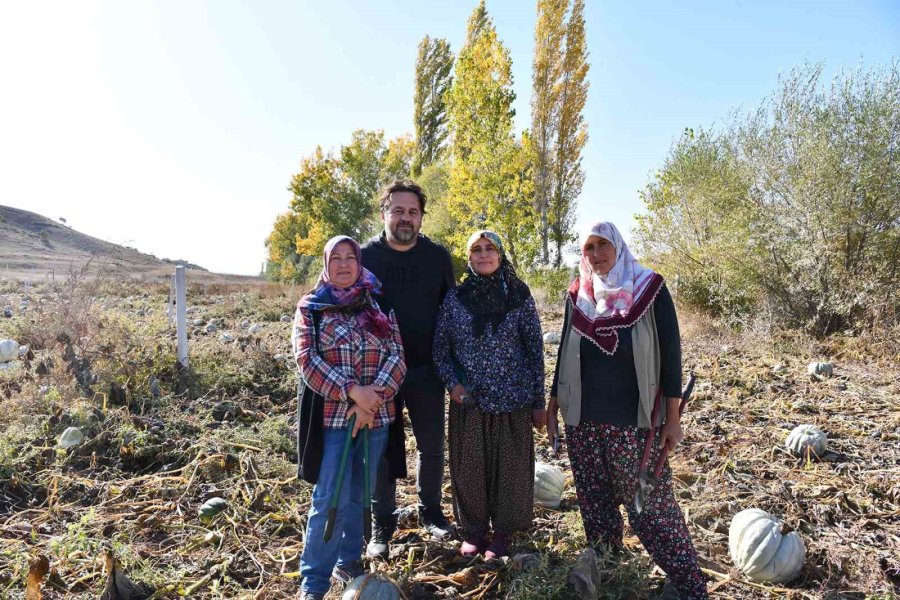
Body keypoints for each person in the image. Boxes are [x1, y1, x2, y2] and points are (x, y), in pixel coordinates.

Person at [547, 222, 708, 600]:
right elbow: (563, 353)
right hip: (583, 421)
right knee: (596, 503)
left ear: (618, 246)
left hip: (635, 424)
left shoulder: (649, 289)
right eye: (589, 247)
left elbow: (671, 358)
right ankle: (609, 573)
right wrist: (554, 403)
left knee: (649, 508)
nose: (597, 253)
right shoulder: (578, 295)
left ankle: (690, 587)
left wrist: (672, 419)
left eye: (603, 244)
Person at [293, 235, 406, 600]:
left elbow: (397, 357)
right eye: (336, 259)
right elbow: (307, 362)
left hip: (375, 418)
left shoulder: (378, 303)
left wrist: (371, 399)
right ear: (326, 265)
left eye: (350, 258)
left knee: (359, 494)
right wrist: (352, 392)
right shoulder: (311, 308)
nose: (343, 264)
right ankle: (314, 583)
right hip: (333, 421)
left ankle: (349, 562)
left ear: (359, 264)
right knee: (329, 498)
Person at [433, 231, 545, 559]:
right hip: (470, 400)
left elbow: (535, 349)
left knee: (510, 470)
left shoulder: (520, 295)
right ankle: (475, 531)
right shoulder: (455, 299)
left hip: (514, 398)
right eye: (476, 250)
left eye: (490, 249)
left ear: (500, 254)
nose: (483, 255)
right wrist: (453, 384)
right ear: (469, 257)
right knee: (470, 470)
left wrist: (538, 401)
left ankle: (503, 534)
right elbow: (440, 348)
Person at [360, 180, 456, 558]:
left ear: (421, 217)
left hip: (426, 368)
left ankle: (430, 510)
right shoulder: (365, 256)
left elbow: (452, 313)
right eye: (397, 210)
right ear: (384, 213)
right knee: (381, 447)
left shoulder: (437, 257)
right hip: (378, 374)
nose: (405, 218)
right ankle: (382, 521)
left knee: (432, 445)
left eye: (412, 212)